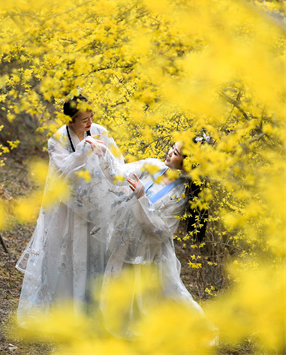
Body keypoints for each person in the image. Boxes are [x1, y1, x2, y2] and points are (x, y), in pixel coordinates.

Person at [16, 95, 123, 325]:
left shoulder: (100, 132)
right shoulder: (57, 139)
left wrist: (105, 156)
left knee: (94, 253)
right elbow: (63, 172)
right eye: (84, 119)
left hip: (95, 206)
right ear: (70, 121)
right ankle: (62, 311)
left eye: (91, 116)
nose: (90, 123)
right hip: (66, 209)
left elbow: (118, 164)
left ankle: (90, 311)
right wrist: (83, 151)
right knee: (66, 255)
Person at [99, 139, 211, 338]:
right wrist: (102, 152)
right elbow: (118, 173)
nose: (169, 153)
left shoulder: (181, 193)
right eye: (172, 147)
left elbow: (161, 230)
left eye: (176, 152)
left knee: (148, 295)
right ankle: (111, 326)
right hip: (126, 238)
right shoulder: (153, 166)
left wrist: (141, 197)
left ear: (187, 162)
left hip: (149, 250)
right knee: (116, 280)